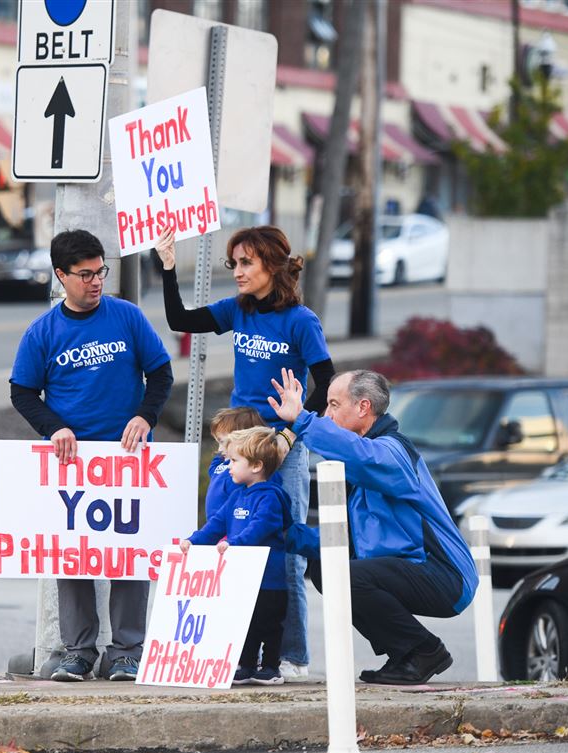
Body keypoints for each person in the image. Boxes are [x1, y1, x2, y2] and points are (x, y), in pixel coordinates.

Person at [156, 224, 333, 679]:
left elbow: (326, 381)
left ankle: (290, 656)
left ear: (272, 265)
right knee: (228, 536)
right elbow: (182, 321)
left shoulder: (300, 321)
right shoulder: (239, 310)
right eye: (233, 263)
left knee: (284, 550)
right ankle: (233, 651)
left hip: (280, 447)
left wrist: (292, 434)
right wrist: (169, 265)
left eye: (246, 263)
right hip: (238, 443)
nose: (237, 271)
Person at [10, 229, 173, 682]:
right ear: (61, 275)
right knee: (74, 554)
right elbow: (22, 391)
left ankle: (126, 651)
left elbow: (160, 374)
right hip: (73, 461)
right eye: (85, 274)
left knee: (129, 555)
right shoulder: (43, 331)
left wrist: (145, 416)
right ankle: (78, 651)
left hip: (127, 456)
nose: (96, 281)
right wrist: (54, 427)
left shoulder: (127, 317)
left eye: (100, 271)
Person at [268, 368, 479, 685]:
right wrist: (286, 533)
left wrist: (303, 420)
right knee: (327, 569)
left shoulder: (394, 451)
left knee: (345, 576)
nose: (327, 414)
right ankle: (405, 655)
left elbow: (363, 457)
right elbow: (346, 541)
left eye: (335, 404)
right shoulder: (363, 467)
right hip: (409, 568)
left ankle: (423, 650)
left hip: (445, 574)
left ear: (363, 407)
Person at [180, 426, 293, 686]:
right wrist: (192, 542)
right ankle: (246, 664)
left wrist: (235, 543)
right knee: (245, 623)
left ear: (255, 465)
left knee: (269, 624)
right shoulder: (235, 497)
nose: (227, 466)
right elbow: (215, 525)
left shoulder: (270, 498)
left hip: (268, 580)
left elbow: (260, 527)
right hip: (242, 577)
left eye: (233, 461)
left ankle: (271, 666)